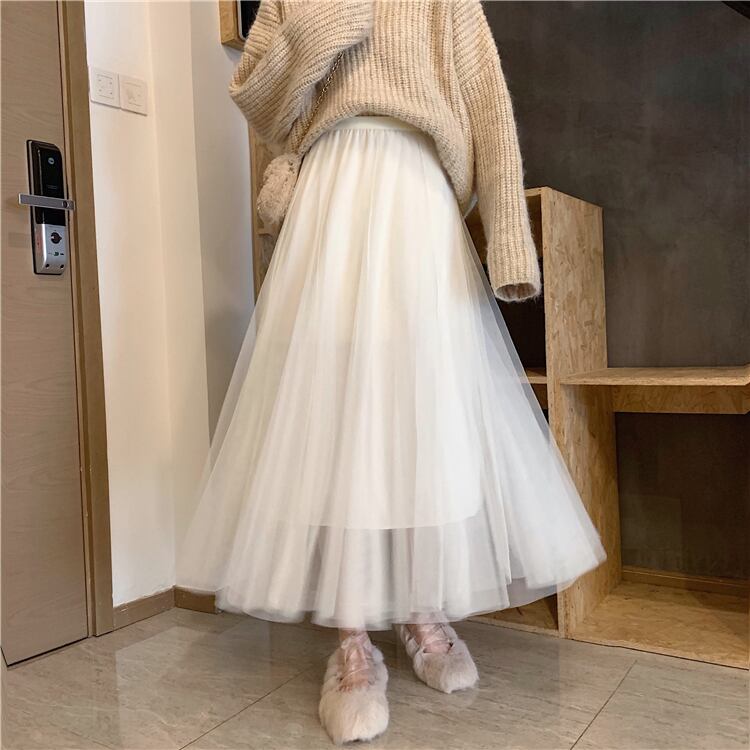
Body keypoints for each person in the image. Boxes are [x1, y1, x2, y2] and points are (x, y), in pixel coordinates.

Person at [177, 0, 606, 744]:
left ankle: (420, 610)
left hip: (419, 197)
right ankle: (351, 641)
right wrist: (319, 27)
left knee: (424, 415)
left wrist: (509, 238)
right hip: (331, 197)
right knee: (339, 418)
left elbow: (488, 105)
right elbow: (258, 100)